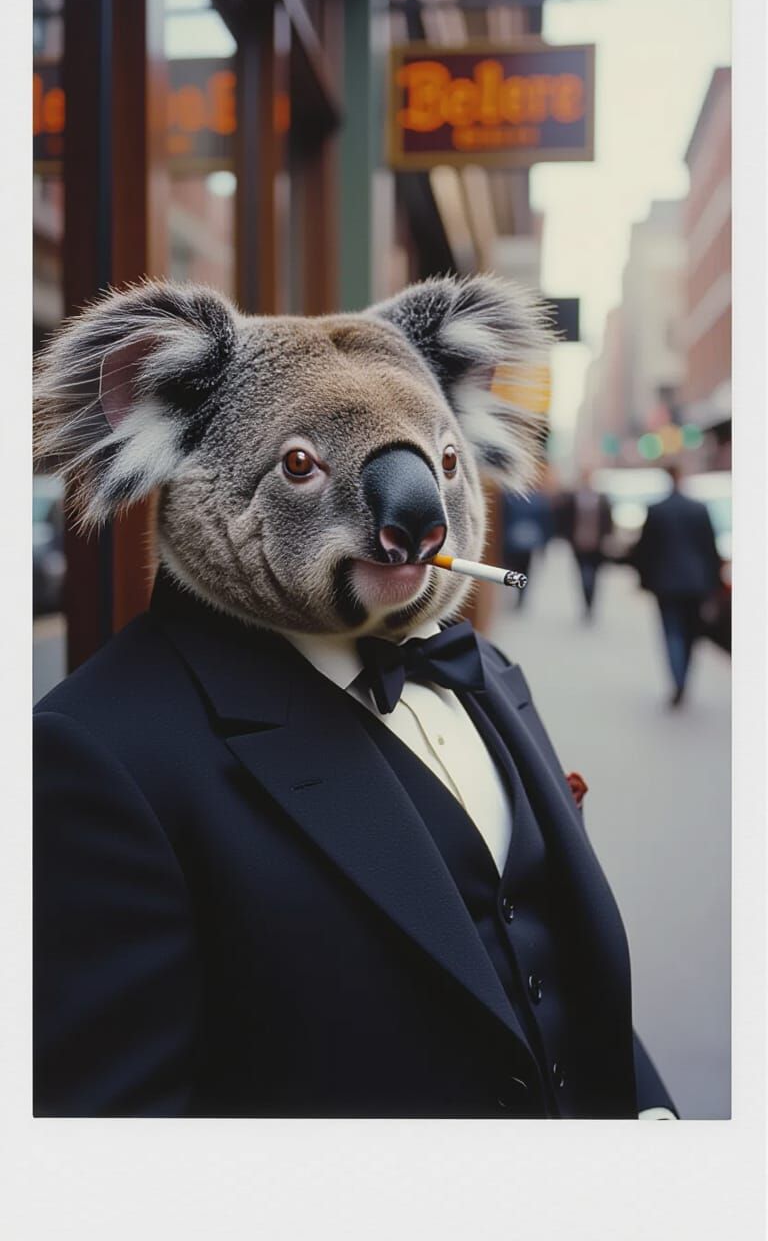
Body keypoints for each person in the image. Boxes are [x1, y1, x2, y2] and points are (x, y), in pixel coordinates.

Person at [33, 275, 675, 1118]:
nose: (422, 514)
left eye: (444, 464)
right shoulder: (101, 754)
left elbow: (565, 962)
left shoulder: (485, 672)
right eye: (300, 465)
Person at [632, 464, 722, 706]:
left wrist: (643, 581)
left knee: (672, 633)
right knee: (691, 635)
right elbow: (710, 551)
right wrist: (714, 585)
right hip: (696, 584)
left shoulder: (657, 510)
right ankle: (684, 680)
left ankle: (678, 681)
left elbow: (644, 551)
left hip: (666, 583)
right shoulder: (699, 509)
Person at [560, 470, 614, 620]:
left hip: (597, 545)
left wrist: (608, 539)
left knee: (594, 576)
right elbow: (565, 519)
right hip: (578, 544)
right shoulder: (573, 498)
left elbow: (608, 521)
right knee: (583, 576)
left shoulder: (602, 498)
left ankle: (591, 605)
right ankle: (585, 603)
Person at [501, 487, 554, 608]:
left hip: (522, 543)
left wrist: (544, 541)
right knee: (518, 568)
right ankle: (518, 592)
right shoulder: (510, 497)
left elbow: (545, 521)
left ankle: (519, 593)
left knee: (521, 568)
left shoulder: (536, 499)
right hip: (514, 542)